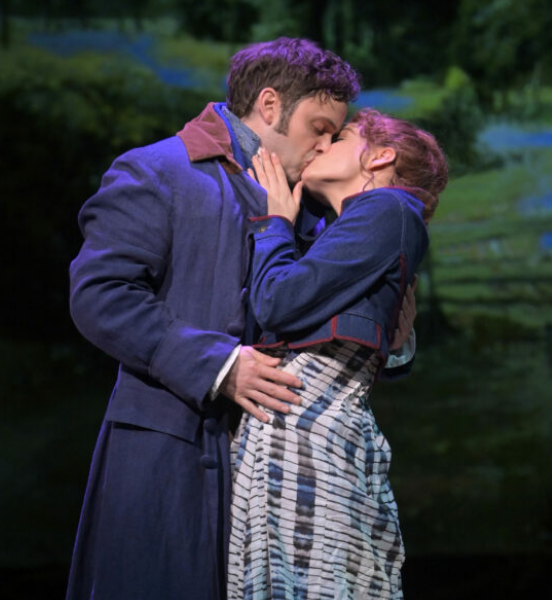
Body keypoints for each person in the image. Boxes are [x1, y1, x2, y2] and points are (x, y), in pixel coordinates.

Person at [65, 38, 416, 600]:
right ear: (271, 106)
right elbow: (100, 293)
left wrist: (393, 336)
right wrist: (218, 366)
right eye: (320, 126)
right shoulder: (162, 171)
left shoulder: (315, 206)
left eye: (337, 133)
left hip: (273, 477)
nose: (327, 144)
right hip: (173, 454)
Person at [227, 109, 448, 599]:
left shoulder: (386, 209)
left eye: (341, 136)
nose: (323, 144)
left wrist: (274, 224)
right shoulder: (362, 224)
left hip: (303, 430)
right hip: (302, 424)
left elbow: (278, 304)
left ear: (381, 156)